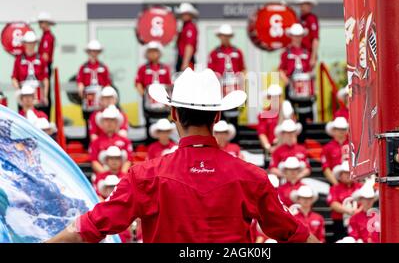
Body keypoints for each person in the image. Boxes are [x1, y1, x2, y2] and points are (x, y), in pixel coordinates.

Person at [47, 68, 318, 243]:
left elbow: (89, 227)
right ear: (218, 116)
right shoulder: (252, 176)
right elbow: (297, 234)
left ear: (174, 114)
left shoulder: (143, 176)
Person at [208, 24, 245, 133]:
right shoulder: (214, 53)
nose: (225, 38)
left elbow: (243, 70)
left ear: (230, 36)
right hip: (220, 89)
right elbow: (210, 72)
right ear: (219, 36)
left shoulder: (237, 52)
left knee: (234, 117)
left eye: (227, 35)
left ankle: (235, 143)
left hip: (234, 88)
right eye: (223, 35)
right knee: (221, 117)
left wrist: (241, 87)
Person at [76, 39, 112, 145]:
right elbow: (80, 81)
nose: (93, 53)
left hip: (100, 97)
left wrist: (106, 98)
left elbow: (107, 84)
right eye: (91, 51)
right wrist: (80, 89)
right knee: (88, 121)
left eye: (96, 51)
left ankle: (102, 142)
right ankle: (89, 144)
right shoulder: (83, 67)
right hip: (88, 97)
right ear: (88, 52)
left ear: (99, 53)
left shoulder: (103, 67)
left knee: (101, 120)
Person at [135, 41, 172, 142]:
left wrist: (168, 101)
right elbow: (138, 83)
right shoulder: (143, 68)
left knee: (164, 121)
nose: (153, 54)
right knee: (149, 123)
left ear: (159, 53)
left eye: (155, 51)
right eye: (150, 52)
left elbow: (169, 85)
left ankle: (163, 142)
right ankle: (150, 143)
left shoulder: (165, 68)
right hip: (149, 102)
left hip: (162, 103)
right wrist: (145, 96)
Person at [279, 23, 314, 125]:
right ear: (291, 36)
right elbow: (281, 69)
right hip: (291, 84)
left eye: (299, 36)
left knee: (305, 113)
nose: (297, 38)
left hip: (304, 86)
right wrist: (287, 82)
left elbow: (309, 71)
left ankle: (303, 134)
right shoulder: (286, 52)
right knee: (290, 111)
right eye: (295, 35)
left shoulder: (306, 52)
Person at [11, 31, 49, 113]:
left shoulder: (41, 59)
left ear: (35, 44)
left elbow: (45, 79)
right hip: (24, 95)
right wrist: (18, 91)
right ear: (24, 44)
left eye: (32, 43)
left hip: (38, 96)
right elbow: (14, 78)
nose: (30, 45)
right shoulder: (19, 59)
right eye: (28, 43)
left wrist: (45, 96)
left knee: (40, 119)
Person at [88, 105, 133, 174]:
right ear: (102, 123)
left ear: (117, 123)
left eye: (112, 120)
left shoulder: (126, 141)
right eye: (106, 120)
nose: (109, 123)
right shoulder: (95, 142)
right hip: (103, 179)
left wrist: (121, 176)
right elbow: (94, 161)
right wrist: (106, 175)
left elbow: (128, 160)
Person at [327, 161, 362, 242]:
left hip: (358, 221)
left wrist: (357, 211)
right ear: (340, 175)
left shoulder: (360, 187)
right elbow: (333, 203)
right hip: (340, 222)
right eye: (345, 173)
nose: (348, 175)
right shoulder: (334, 188)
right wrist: (349, 211)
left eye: (349, 173)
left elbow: (366, 201)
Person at [321, 117, 350, 185]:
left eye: (343, 129)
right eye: (338, 128)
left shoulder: (353, 145)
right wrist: (337, 185)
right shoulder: (327, 148)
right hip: (335, 182)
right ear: (333, 130)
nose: (341, 131)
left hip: (354, 183)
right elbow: (326, 168)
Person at [37, 12, 56, 117]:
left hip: (44, 67)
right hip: (43, 67)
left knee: (45, 93)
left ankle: (46, 116)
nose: (40, 24)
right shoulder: (44, 36)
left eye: (42, 22)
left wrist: (39, 65)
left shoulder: (48, 37)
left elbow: (45, 56)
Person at [257, 84, 284, 155]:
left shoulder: (287, 111)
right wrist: (268, 147)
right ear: (269, 98)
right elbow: (262, 133)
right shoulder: (264, 114)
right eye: (272, 97)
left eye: (277, 97)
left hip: (285, 148)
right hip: (271, 149)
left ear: (280, 97)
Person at [296, 0, 319, 70]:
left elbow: (315, 39)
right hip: (300, 54)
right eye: (301, 5)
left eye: (304, 5)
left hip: (308, 54)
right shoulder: (300, 19)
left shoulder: (311, 18)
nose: (302, 7)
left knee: (307, 79)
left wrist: (313, 57)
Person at [175, 3, 198, 72]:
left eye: (186, 14)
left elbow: (189, 45)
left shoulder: (190, 27)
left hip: (187, 60)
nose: (184, 16)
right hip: (182, 58)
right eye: (183, 14)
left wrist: (185, 63)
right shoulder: (184, 27)